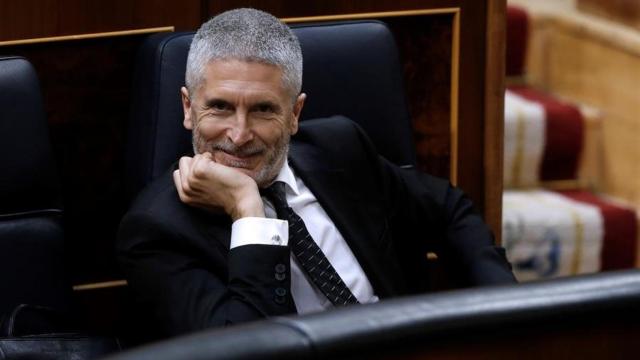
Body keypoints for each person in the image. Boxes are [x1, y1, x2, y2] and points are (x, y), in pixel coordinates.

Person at [117, 8, 516, 339]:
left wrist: (509, 313)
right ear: (188, 108)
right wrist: (249, 212)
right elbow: (248, 350)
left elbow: (448, 208)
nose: (238, 135)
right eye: (219, 107)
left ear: (295, 114)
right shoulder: (156, 231)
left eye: (263, 110)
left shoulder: (340, 147)